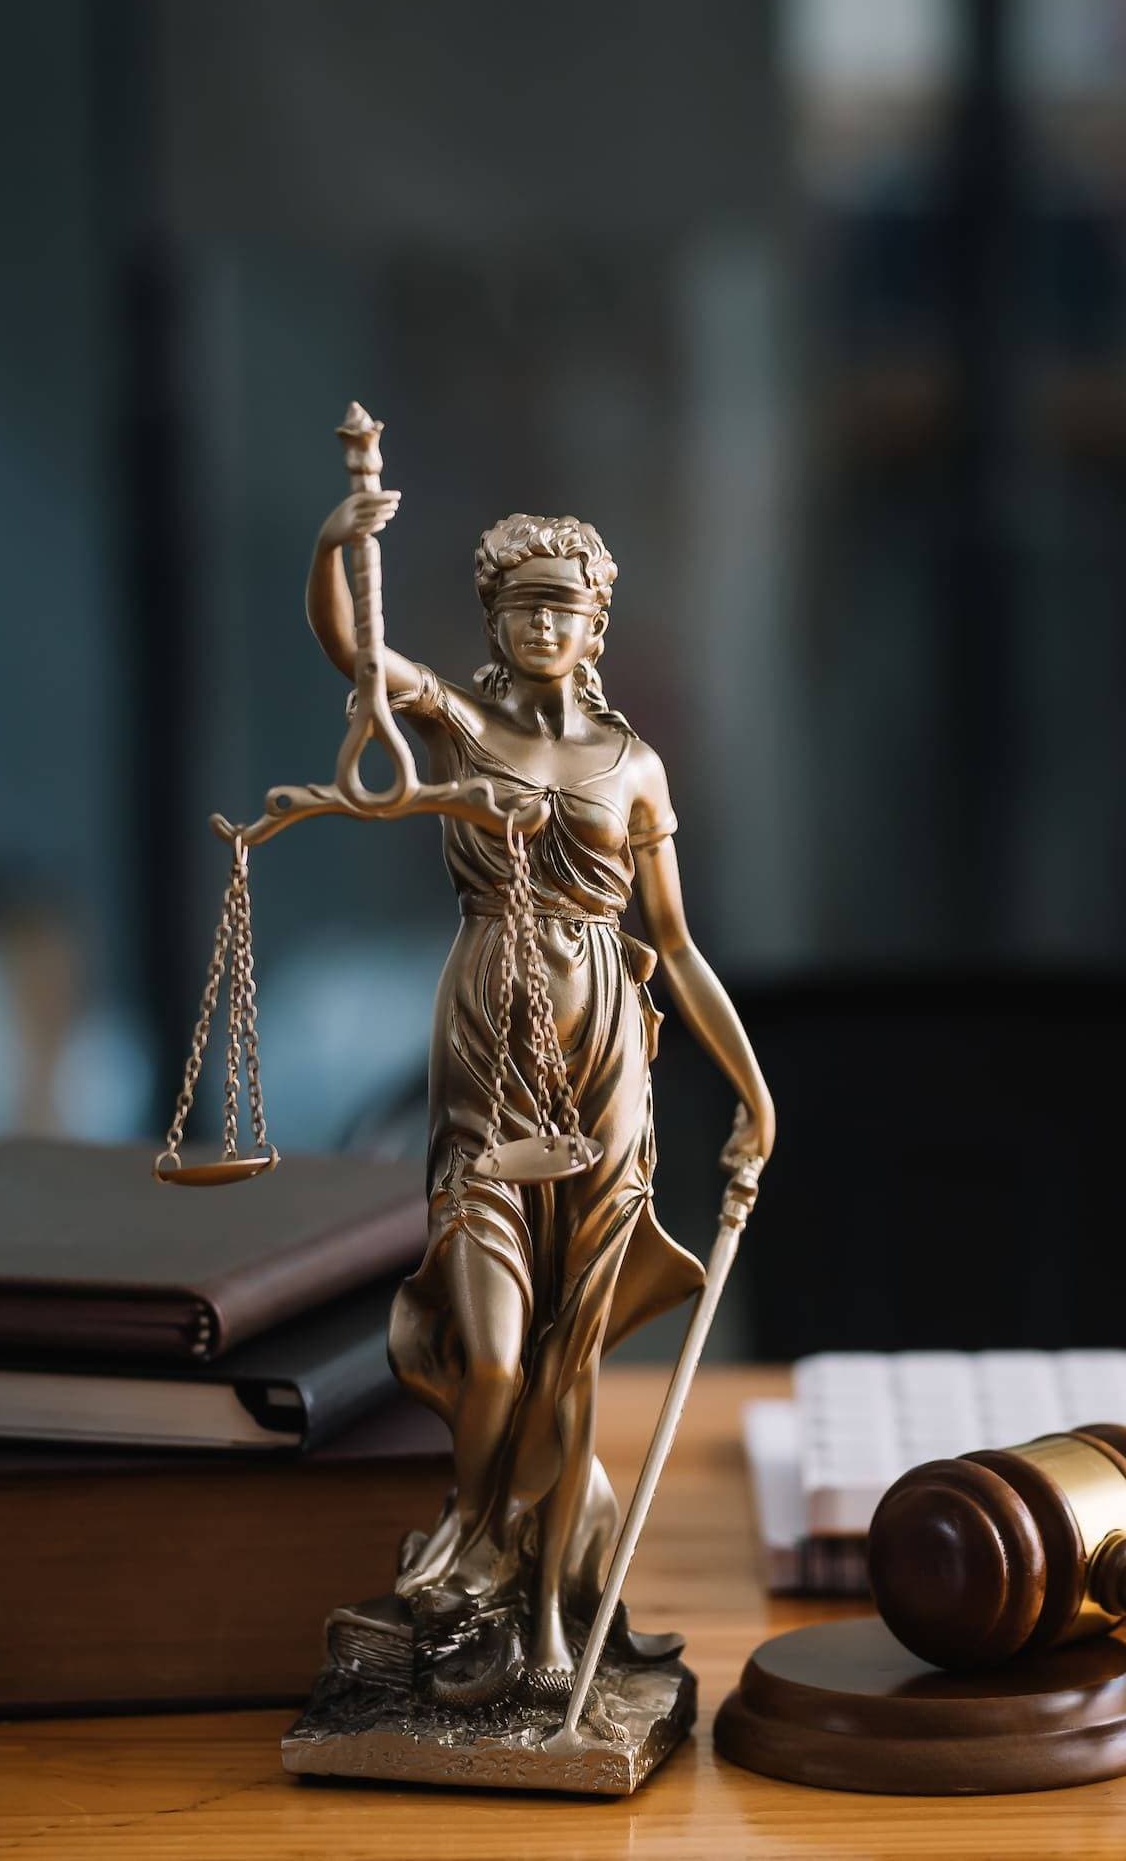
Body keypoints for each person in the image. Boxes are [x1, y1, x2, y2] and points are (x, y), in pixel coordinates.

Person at [305, 488, 774, 1695]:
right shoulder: (462, 726)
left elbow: (674, 944)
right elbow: (358, 655)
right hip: (485, 1057)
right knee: (498, 1357)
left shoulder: (634, 768)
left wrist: (754, 1093)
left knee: (574, 1368)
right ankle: (472, 1548)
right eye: (520, 609)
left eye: (563, 607)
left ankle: (552, 1634)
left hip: (609, 1065)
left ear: (597, 624)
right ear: (494, 622)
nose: (542, 627)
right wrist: (336, 545)